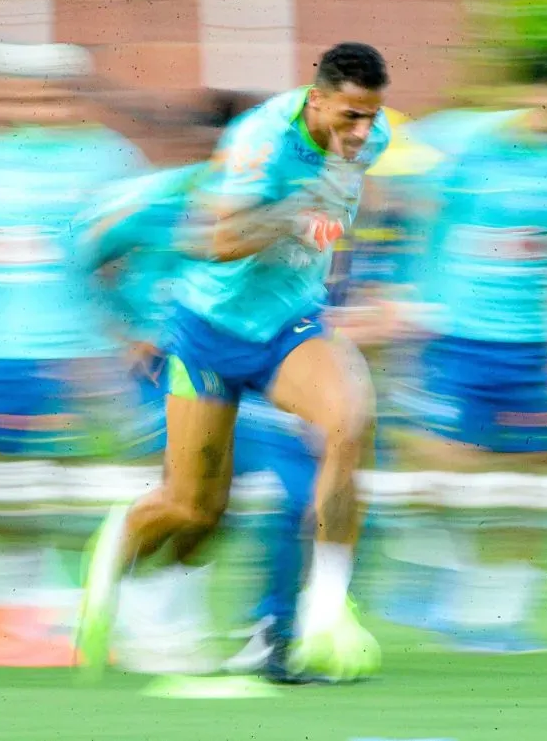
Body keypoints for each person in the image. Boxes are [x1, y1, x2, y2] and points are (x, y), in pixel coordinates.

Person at [77, 42, 392, 682]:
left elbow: (342, 217)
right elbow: (216, 242)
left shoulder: (372, 136)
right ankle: (118, 547)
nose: (363, 131)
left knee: (347, 424)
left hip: (289, 326)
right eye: (350, 117)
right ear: (318, 99)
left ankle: (323, 612)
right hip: (208, 335)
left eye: (371, 117)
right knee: (192, 507)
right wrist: (291, 213)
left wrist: (343, 265)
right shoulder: (258, 143)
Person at [384, 50, 547, 652]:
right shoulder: (455, 143)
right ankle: (429, 570)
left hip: (542, 346)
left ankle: (497, 615)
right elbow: (395, 212)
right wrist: (398, 297)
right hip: (455, 335)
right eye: (545, 97)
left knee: (532, 478)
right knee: (444, 467)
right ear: (515, 92)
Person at [0, 41, 147, 668]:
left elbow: (134, 254)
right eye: (9, 93)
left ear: (71, 98)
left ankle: (78, 613)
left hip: (77, 349)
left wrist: (132, 330)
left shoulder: (108, 158)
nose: (26, 107)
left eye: (44, 95)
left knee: (68, 484)